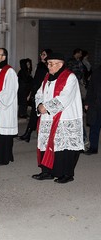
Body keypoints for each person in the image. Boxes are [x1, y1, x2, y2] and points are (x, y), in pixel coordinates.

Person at [32, 53, 84, 184]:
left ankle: (66, 174)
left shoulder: (69, 77)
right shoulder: (47, 77)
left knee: (64, 147)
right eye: (48, 63)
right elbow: (39, 93)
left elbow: (65, 97)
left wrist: (47, 107)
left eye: (51, 64)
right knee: (46, 144)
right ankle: (47, 171)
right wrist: (39, 105)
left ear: (60, 64)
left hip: (64, 118)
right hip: (47, 118)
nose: (48, 66)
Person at [19, 49, 52, 142]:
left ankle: (29, 134)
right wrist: (32, 93)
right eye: (41, 54)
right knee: (34, 114)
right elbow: (36, 82)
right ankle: (28, 134)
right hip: (38, 93)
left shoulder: (46, 67)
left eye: (44, 54)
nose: (41, 56)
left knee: (38, 115)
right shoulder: (41, 66)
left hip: (44, 94)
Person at [84, 64, 101, 155]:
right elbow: (91, 88)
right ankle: (93, 147)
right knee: (94, 126)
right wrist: (87, 102)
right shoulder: (97, 72)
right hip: (95, 104)